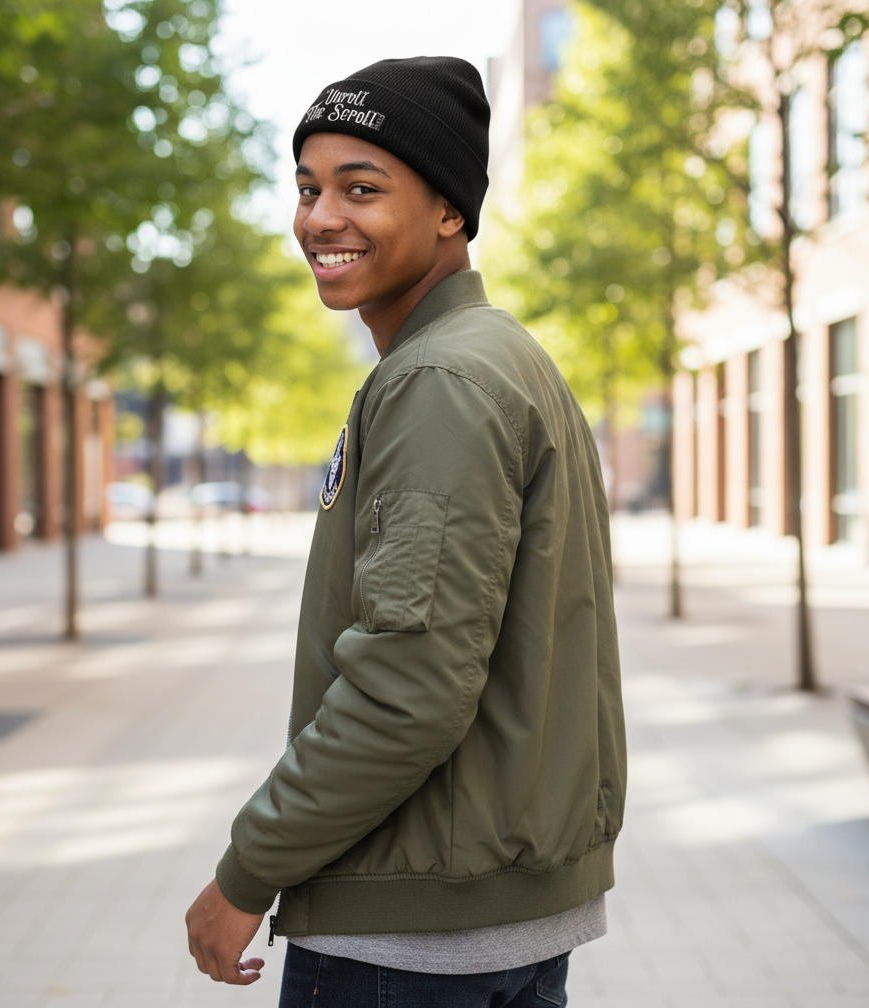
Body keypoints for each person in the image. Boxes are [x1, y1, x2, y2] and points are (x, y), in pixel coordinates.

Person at [186, 55, 626, 1008]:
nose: (320, 218)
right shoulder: (494, 358)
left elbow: (410, 685)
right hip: (475, 919)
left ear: (449, 212)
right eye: (308, 188)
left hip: (415, 944)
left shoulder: (441, 383)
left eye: (362, 187)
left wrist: (246, 869)